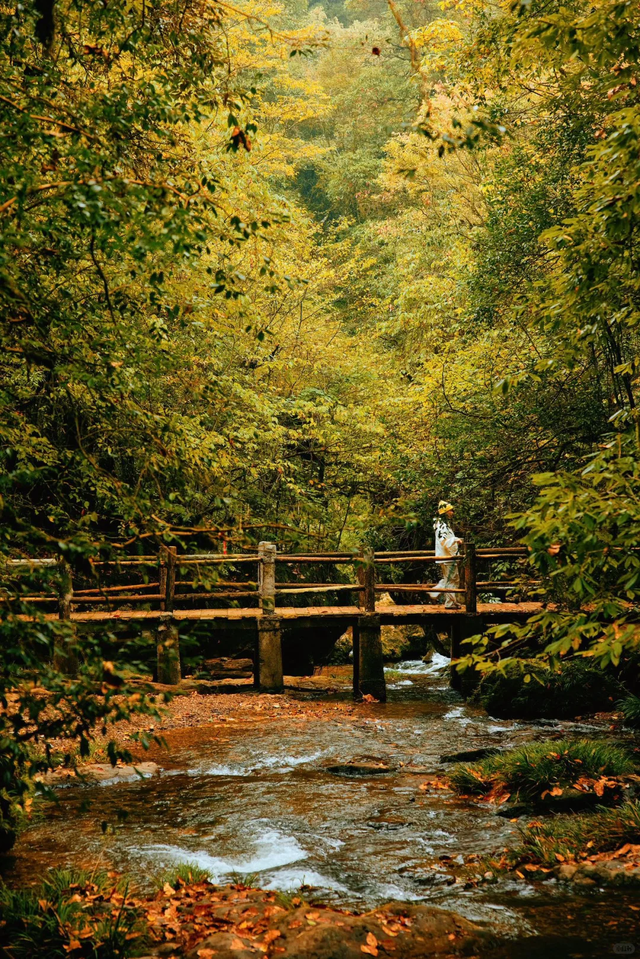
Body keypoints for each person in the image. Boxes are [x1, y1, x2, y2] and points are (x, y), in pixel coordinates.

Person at [429, 500, 463, 609]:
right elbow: (443, 540)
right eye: (450, 511)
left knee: (453, 579)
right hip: (446, 556)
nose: (452, 512)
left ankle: (451, 600)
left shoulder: (444, 524)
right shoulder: (441, 525)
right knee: (451, 579)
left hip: (447, 556)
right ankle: (448, 602)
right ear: (445, 512)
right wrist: (455, 540)